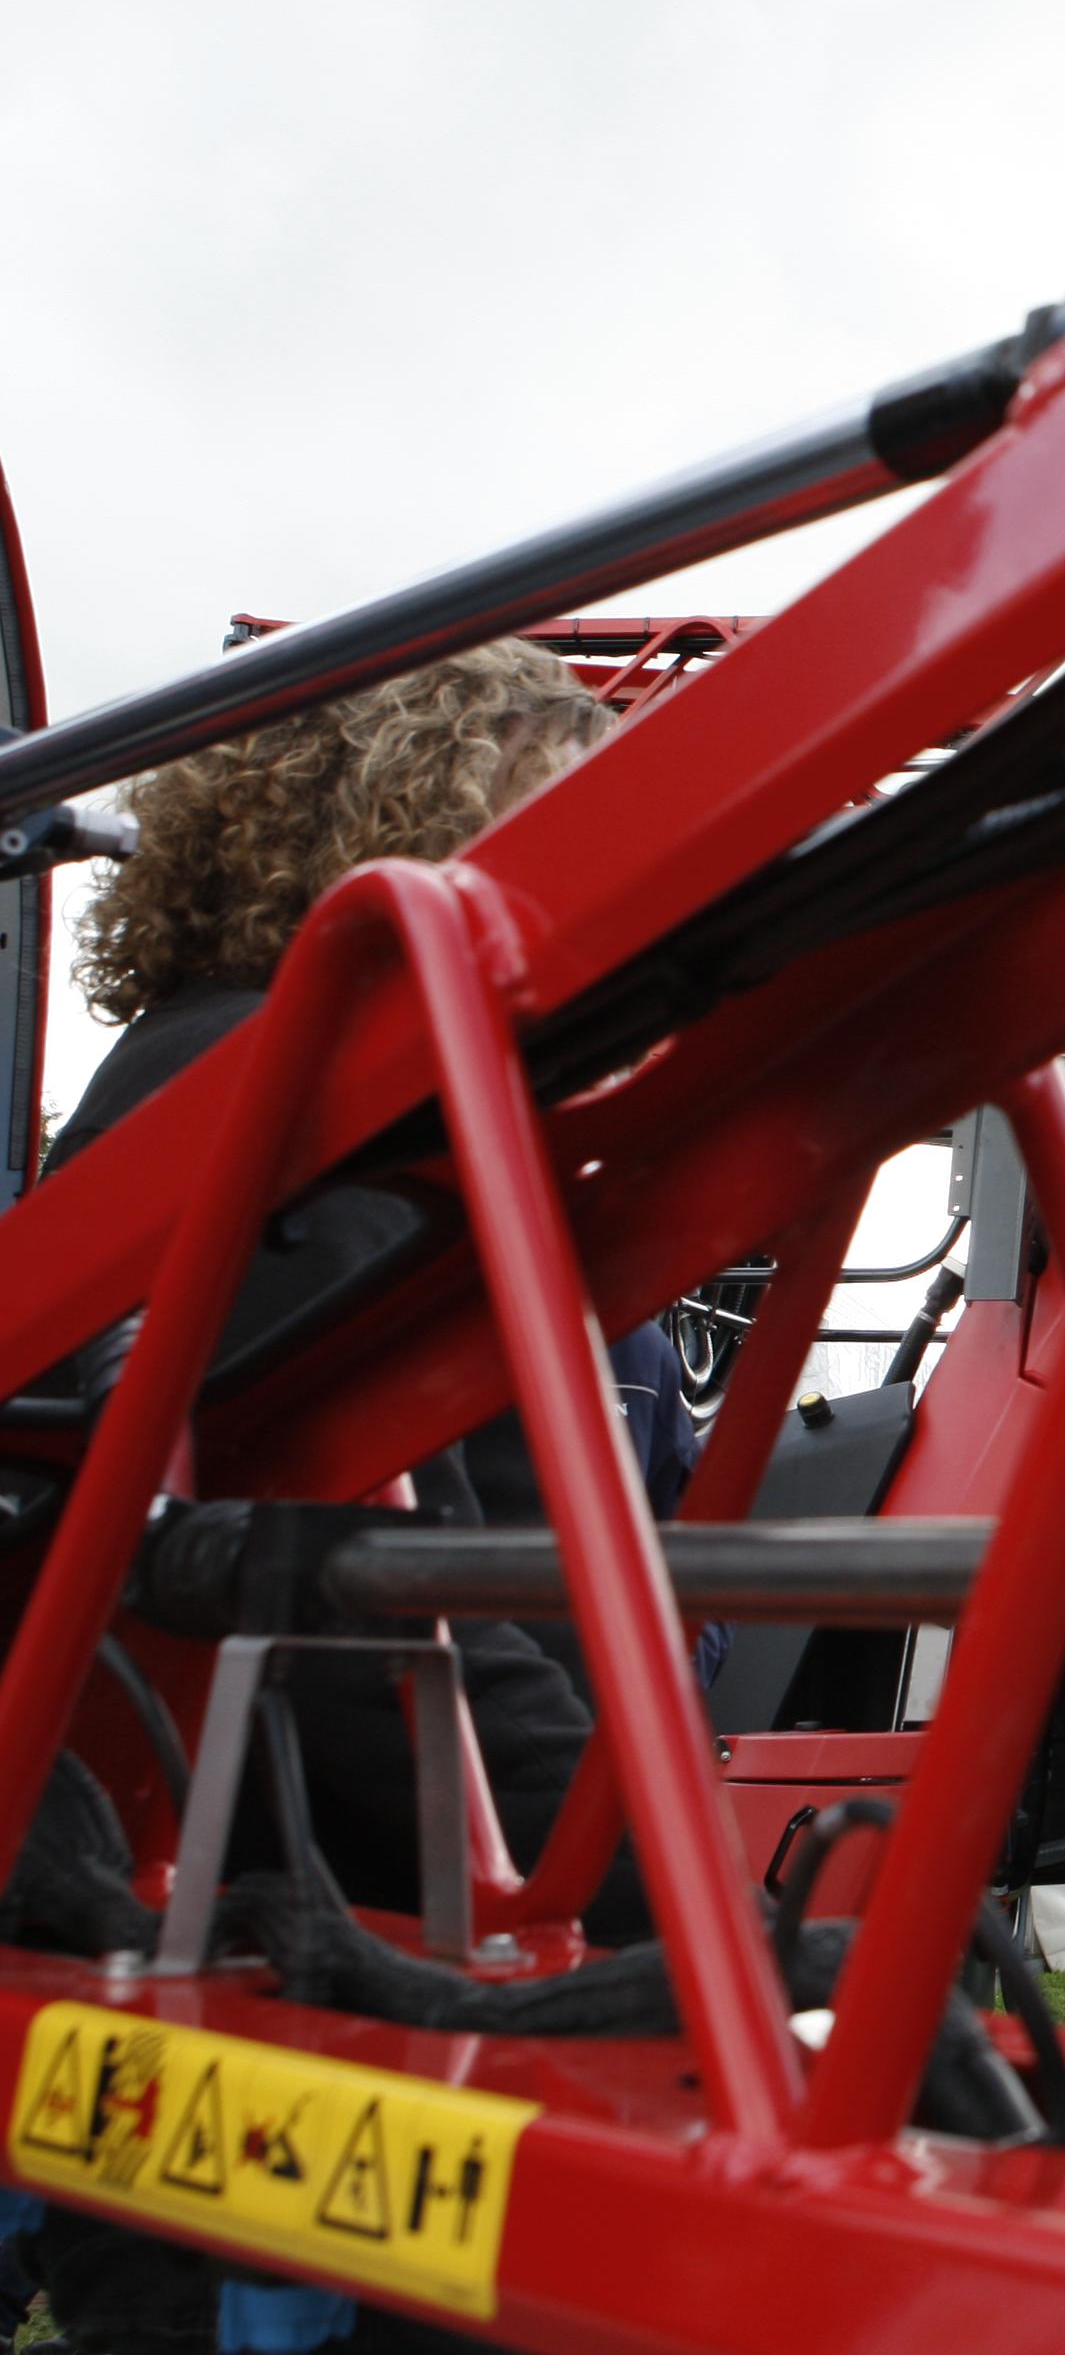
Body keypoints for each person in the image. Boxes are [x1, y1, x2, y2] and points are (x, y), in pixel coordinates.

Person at [45, 637, 645, 1933]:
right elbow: (351, 1611)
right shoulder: (291, 1112)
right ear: (402, 823)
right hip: (333, 1895)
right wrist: (639, 1888)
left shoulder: (231, 1082)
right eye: (542, 840)